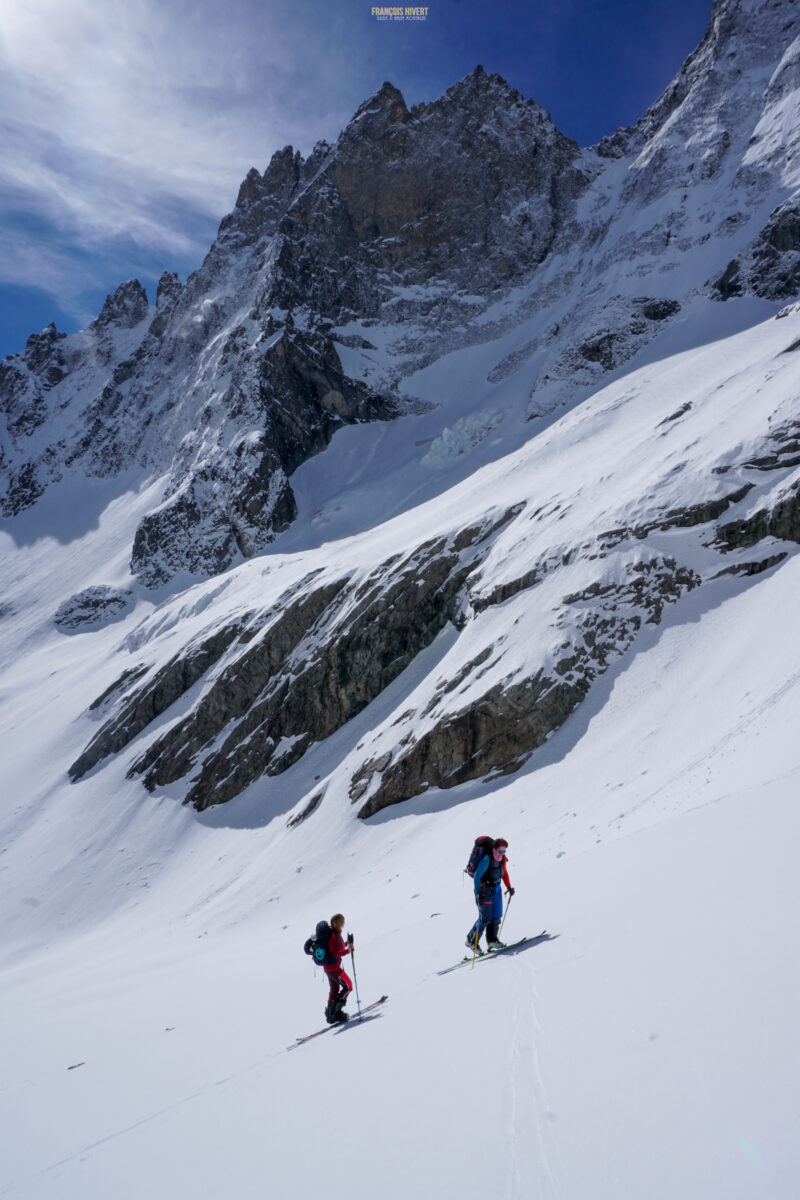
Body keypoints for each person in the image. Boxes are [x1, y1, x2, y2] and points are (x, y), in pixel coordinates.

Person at [466, 838, 515, 954]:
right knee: (485, 918)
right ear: (494, 849)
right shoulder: (487, 858)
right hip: (485, 890)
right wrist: (478, 892)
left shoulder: (502, 859)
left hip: (497, 889)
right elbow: (477, 876)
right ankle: (471, 941)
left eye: (504, 851)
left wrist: (509, 887)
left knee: (496, 916)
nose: (502, 854)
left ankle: (492, 940)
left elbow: (504, 873)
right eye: (500, 851)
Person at [324, 913, 354, 1024]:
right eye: (342, 922)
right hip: (334, 969)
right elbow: (335, 953)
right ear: (339, 923)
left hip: (328, 968)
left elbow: (337, 948)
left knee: (334, 990)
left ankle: (330, 1014)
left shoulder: (333, 933)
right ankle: (336, 1011)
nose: (343, 924)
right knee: (349, 986)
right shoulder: (334, 935)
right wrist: (348, 951)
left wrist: (347, 943)